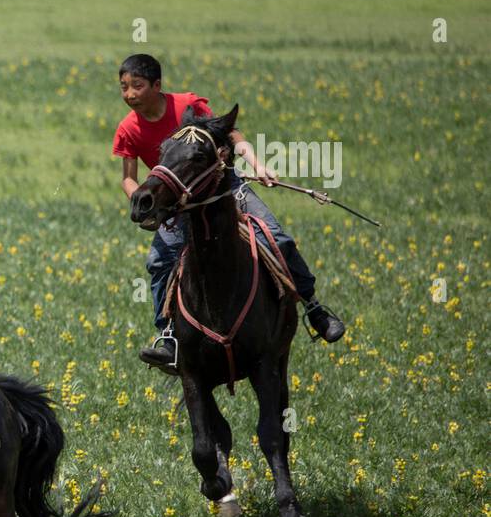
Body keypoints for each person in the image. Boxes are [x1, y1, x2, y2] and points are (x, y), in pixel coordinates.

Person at [112, 53, 345, 374]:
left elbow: (231, 134)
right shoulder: (127, 129)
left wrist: (257, 164)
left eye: (137, 86)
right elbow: (128, 176)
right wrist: (141, 198)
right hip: (179, 202)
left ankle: (314, 308)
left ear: (157, 85)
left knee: (277, 238)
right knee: (158, 261)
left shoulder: (188, 108)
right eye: (124, 87)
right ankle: (169, 336)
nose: (129, 95)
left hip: (225, 188)